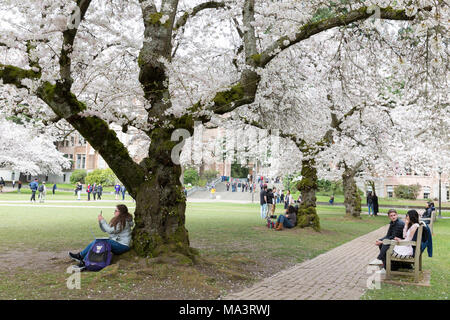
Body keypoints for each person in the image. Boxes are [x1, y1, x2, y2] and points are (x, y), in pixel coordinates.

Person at [68, 204, 134, 271]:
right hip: (117, 242)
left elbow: (110, 230)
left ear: (121, 212)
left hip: (122, 245)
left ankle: (82, 260)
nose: (114, 212)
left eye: (116, 211)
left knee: (99, 242)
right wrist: (100, 221)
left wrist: (102, 221)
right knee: (98, 241)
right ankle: (82, 258)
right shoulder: (118, 219)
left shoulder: (124, 222)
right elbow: (105, 229)